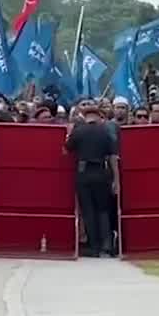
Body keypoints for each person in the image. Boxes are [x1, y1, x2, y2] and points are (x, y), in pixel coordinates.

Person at [65, 103, 119, 257]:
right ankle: (106, 245)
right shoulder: (106, 132)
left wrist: (69, 135)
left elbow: (66, 149)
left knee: (88, 211)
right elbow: (113, 157)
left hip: (83, 173)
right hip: (102, 172)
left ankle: (94, 246)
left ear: (85, 116)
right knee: (103, 210)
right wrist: (116, 179)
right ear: (98, 116)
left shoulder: (79, 131)